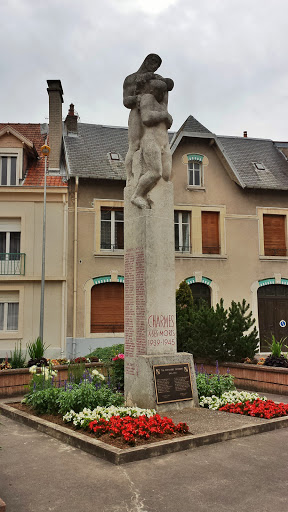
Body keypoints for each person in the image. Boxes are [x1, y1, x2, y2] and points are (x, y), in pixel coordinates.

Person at [131, 77, 174, 209]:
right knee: (155, 172)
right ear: (154, 91)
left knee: (166, 176)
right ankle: (136, 195)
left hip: (164, 142)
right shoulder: (147, 98)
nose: (162, 94)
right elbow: (146, 118)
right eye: (160, 91)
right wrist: (165, 116)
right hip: (151, 140)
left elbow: (170, 85)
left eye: (164, 92)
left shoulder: (163, 104)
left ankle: (155, 198)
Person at [123, 54, 162, 181]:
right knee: (134, 145)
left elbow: (169, 85)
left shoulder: (155, 79)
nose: (154, 66)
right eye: (153, 62)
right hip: (136, 113)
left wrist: (160, 80)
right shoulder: (130, 79)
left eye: (157, 65)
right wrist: (137, 98)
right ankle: (130, 178)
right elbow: (126, 101)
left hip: (150, 113)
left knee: (151, 143)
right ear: (146, 61)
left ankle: (146, 174)